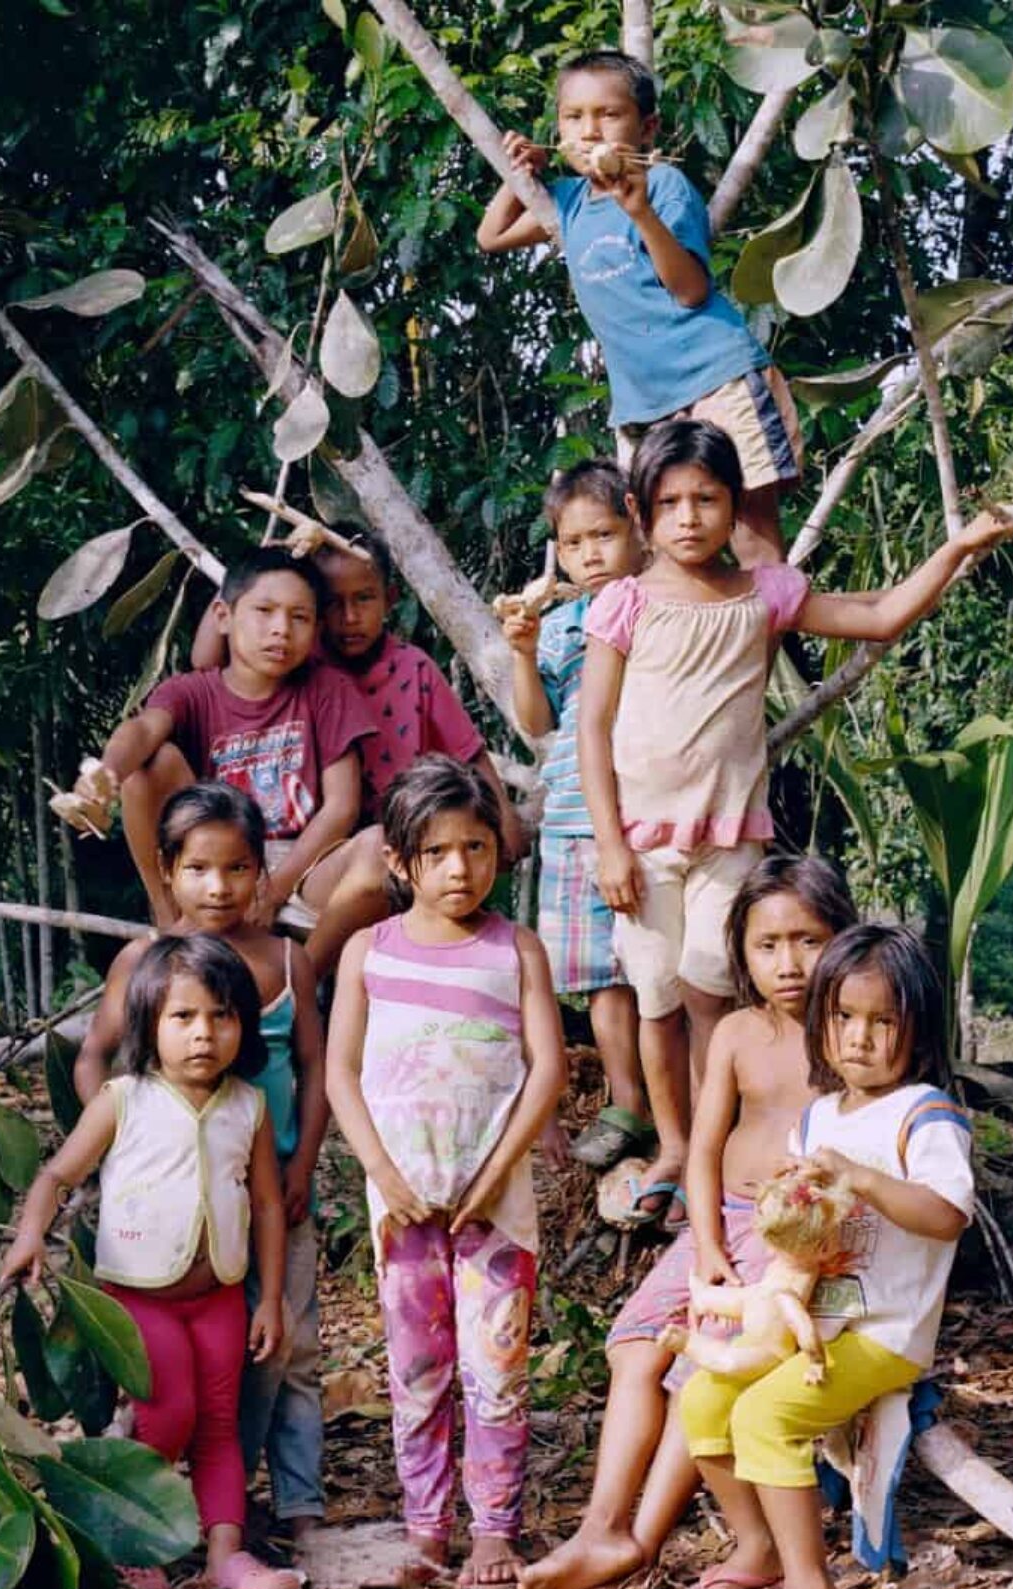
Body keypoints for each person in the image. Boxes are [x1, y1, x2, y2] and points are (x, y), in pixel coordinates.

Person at [578, 418, 1011, 1232]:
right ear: (642, 513)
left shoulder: (764, 594)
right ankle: (674, 1147)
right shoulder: (624, 603)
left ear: (734, 506)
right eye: (669, 503)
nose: (688, 518)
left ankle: (717, 1140)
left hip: (730, 835)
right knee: (655, 997)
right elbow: (592, 727)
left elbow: (880, 616)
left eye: (706, 499)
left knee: (713, 987)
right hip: (640, 841)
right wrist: (607, 842)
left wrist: (956, 552)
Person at [521, 856, 854, 1589]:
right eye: (768, 945)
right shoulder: (736, 1032)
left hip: (792, 1239)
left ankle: (642, 1536)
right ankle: (601, 1526)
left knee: (699, 1370)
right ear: (740, 952)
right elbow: (702, 1149)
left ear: (842, 938)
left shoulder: (850, 1036)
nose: (789, 962)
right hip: (721, 1221)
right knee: (639, 1347)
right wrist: (703, 1245)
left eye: (808, 940)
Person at [679, 924, 975, 1589]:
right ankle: (759, 1547)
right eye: (844, 1018)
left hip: (883, 1331)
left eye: (883, 1022)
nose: (860, 1039)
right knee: (704, 1399)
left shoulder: (925, 1113)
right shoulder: (817, 1117)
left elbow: (947, 1215)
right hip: (816, 1319)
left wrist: (864, 1179)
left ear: (918, 1030)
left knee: (765, 1417)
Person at [0, 932, 304, 1589]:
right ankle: (133, 1541)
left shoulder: (246, 1106)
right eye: (184, 1017)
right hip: (140, 1297)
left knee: (221, 1424)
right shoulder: (124, 1099)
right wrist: (31, 1236)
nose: (205, 1034)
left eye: (222, 1017)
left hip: (220, 1295)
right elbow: (58, 1174)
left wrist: (271, 1298)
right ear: (150, 1024)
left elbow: (268, 1206)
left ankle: (225, 1552)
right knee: (169, 1417)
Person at [326, 756, 566, 1589]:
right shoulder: (367, 952)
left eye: (475, 848)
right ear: (399, 863)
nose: (459, 868)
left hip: (493, 1209)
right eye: (436, 853)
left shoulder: (517, 951)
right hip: (403, 1208)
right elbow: (340, 1075)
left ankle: (495, 1529)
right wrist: (383, 1176)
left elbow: (547, 1071)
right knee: (416, 1371)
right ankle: (426, 1529)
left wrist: (499, 1172)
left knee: (496, 1370)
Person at [73, 786, 329, 1554]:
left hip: (276, 1191)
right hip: (173, 1208)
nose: (219, 888)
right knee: (181, 1362)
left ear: (261, 871)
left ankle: (298, 1503)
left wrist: (303, 1162)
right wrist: (116, 1145)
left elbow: (314, 1068)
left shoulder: (286, 957)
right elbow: (93, 1055)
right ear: (168, 871)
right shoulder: (149, 963)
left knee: (286, 1347)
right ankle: (170, 1503)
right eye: (199, 869)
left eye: (238, 868)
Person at [476, 49, 802, 566]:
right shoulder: (568, 200)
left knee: (749, 531)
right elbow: (491, 237)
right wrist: (517, 175)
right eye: (573, 117)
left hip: (719, 380)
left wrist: (640, 211)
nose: (590, 132)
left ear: (646, 128)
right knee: (665, 550)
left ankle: (767, 642)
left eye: (608, 115)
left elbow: (691, 291)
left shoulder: (664, 186)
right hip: (646, 406)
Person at [191, 530, 525, 975]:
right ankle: (299, 983)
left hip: (394, 843)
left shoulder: (413, 668)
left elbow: (467, 752)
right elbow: (204, 659)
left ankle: (303, 979)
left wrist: (505, 819)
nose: (349, 617)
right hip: (316, 850)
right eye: (331, 602)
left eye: (364, 599)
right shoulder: (301, 664)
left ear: (389, 598)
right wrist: (269, 562)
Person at [68, 546, 374, 941]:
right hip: (216, 862)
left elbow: (342, 807)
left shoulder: (327, 689)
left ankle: (300, 978)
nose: (281, 628)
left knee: (378, 851)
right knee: (151, 765)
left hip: (304, 865)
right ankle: (171, 922)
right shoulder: (191, 693)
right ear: (224, 617)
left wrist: (274, 889)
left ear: (315, 631)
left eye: (299, 617)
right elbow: (143, 730)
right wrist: (105, 774)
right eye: (264, 612)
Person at [501, 460, 648, 1172]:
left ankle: (675, 1099)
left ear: (636, 528)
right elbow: (539, 724)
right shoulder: (561, 626)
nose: (590, 554)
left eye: (605, 535)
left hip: (648, 817)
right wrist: (524, 655)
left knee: (659, 971)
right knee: (600, 977)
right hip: (568, 823)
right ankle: (628, 1104)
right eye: (573, 542)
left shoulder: (661, 606)